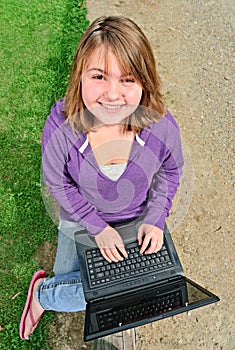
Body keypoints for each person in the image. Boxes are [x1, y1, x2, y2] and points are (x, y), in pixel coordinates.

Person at [20, 15, 184, 340]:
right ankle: (41, 292)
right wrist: (97, 228)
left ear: (145, 83)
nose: (112, 94)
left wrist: (155, 217)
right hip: (79, 221)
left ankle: (50, 292)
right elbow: (58, 183)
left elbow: (171, 169)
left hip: (135, 220)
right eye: (99, 76)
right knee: (81, 291)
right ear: (80, 76)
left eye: (128, 80)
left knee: (129, 290)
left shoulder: (161, 126)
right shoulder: (60, 128)